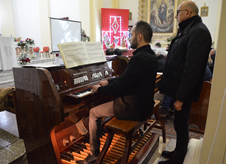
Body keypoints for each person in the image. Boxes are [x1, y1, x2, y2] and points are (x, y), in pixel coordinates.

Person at [77, 21, 159, 164]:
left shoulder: (138, 58)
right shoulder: (150, 55)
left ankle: (94, 154)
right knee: (103, 104)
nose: (129, 38)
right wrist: (108, 82)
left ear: (139, 36)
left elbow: (122, 84)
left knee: (93, 112)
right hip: (144, 103)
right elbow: (127, 78)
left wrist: (100, 90)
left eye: (131, 34)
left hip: (134, 107)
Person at [158, 1, 212, 164]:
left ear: (188, 13)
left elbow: (192, 69)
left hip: (183, 91)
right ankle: (178, 151)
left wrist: (181, 98)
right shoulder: (190, 30)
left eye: (178, 12)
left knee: (181, 124)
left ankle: (178, 158)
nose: (175, 16)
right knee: (179, 123)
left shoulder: (198, 32)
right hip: (177, 87)